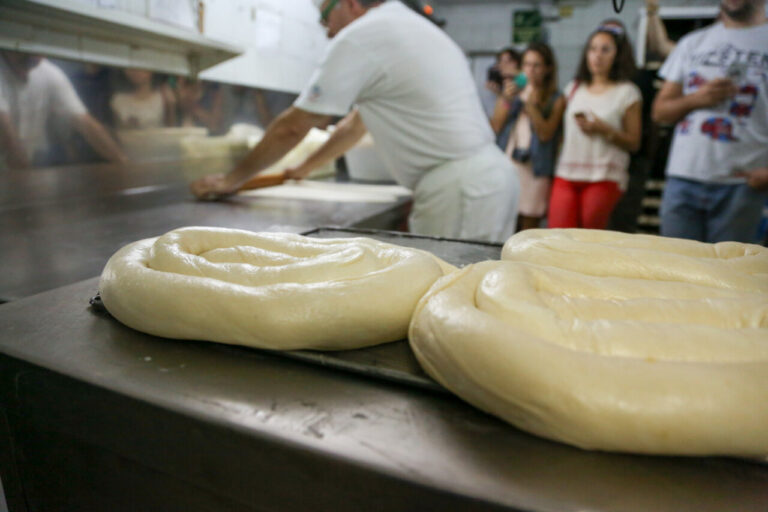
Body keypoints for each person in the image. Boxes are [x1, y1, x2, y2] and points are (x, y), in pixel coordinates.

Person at [190, 0, 519, 242]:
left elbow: (295, 124)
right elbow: (354, 126)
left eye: (324, 17)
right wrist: (306, 167)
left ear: (350, 4)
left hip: (461, 191)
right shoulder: (403, 25)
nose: (327, 32)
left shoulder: (363, 35)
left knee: (446, 304)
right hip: (489, 180)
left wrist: (231, 180)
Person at [652, 0, 768, 244]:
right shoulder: (692, 43)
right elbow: (660, 112)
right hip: (683, 179)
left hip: (742, 185)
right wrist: (696, 99)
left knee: (730, 276)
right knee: (676, 271)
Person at [548, 26, 642, 229]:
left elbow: (634, 142)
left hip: (604, 174)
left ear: (618, 55)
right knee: (558, 233)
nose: (597, 56)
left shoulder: (627, 92)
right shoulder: (574, 87)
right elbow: (558, 130)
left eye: (605, 50)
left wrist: (604, 130)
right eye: (593, 49)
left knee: (590, 235)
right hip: (567, 172)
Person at [0, 51, 125, 169]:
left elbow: (85, 122)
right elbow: (7, 136)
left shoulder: (47, 72)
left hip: (22, 171)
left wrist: (123, 163)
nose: (37, 56)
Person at [491, 43, 565, 231]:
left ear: (548, 69)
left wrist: (530, 105)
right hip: (509, 164)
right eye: (526, 64)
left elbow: (546, 133)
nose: (530, 70)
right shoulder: (513, 93)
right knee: (503, 224)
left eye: (536, 65)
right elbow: (495, 127)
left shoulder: (556, 99)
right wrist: (505, 100)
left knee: (528, 229)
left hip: (536, 170)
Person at [111, 68, 176, 130]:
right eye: (130, 67)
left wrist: (170, 107)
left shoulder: (163, 97)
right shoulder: (118, 101)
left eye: (140, 67)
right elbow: (117, 133)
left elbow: (171, 131)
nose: (135, 71)